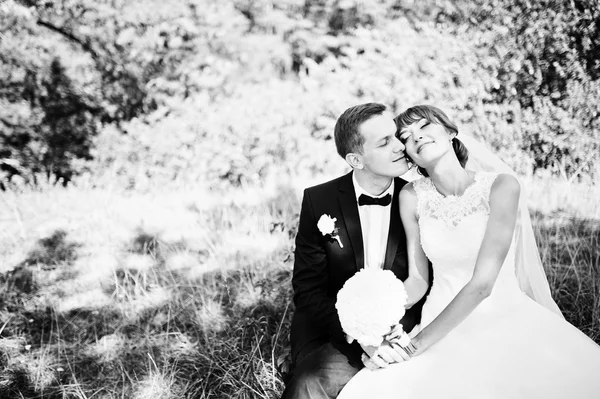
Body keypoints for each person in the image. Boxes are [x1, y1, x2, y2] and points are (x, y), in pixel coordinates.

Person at [337, 105, 600, 399]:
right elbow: (418, 279)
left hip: (501, 315)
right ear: (409, 155)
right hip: (437, 317)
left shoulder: (501, 186)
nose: (418, 137)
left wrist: (414, 346)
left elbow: (482, 285)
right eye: (407, 137)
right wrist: (379, 317)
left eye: (425, 126)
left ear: (449, 131)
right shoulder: (412, 196)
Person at [281, 103, 429, 399]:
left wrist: (385, 333)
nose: (401, 146)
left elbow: (423, 282)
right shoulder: (318, 200)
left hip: (395, 324)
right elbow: (307, 290)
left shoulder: (417, 198)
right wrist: (361, 338)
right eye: (384, 142)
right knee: (308, 382)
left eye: (395, 136)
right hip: (327, 323)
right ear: (355, 159)